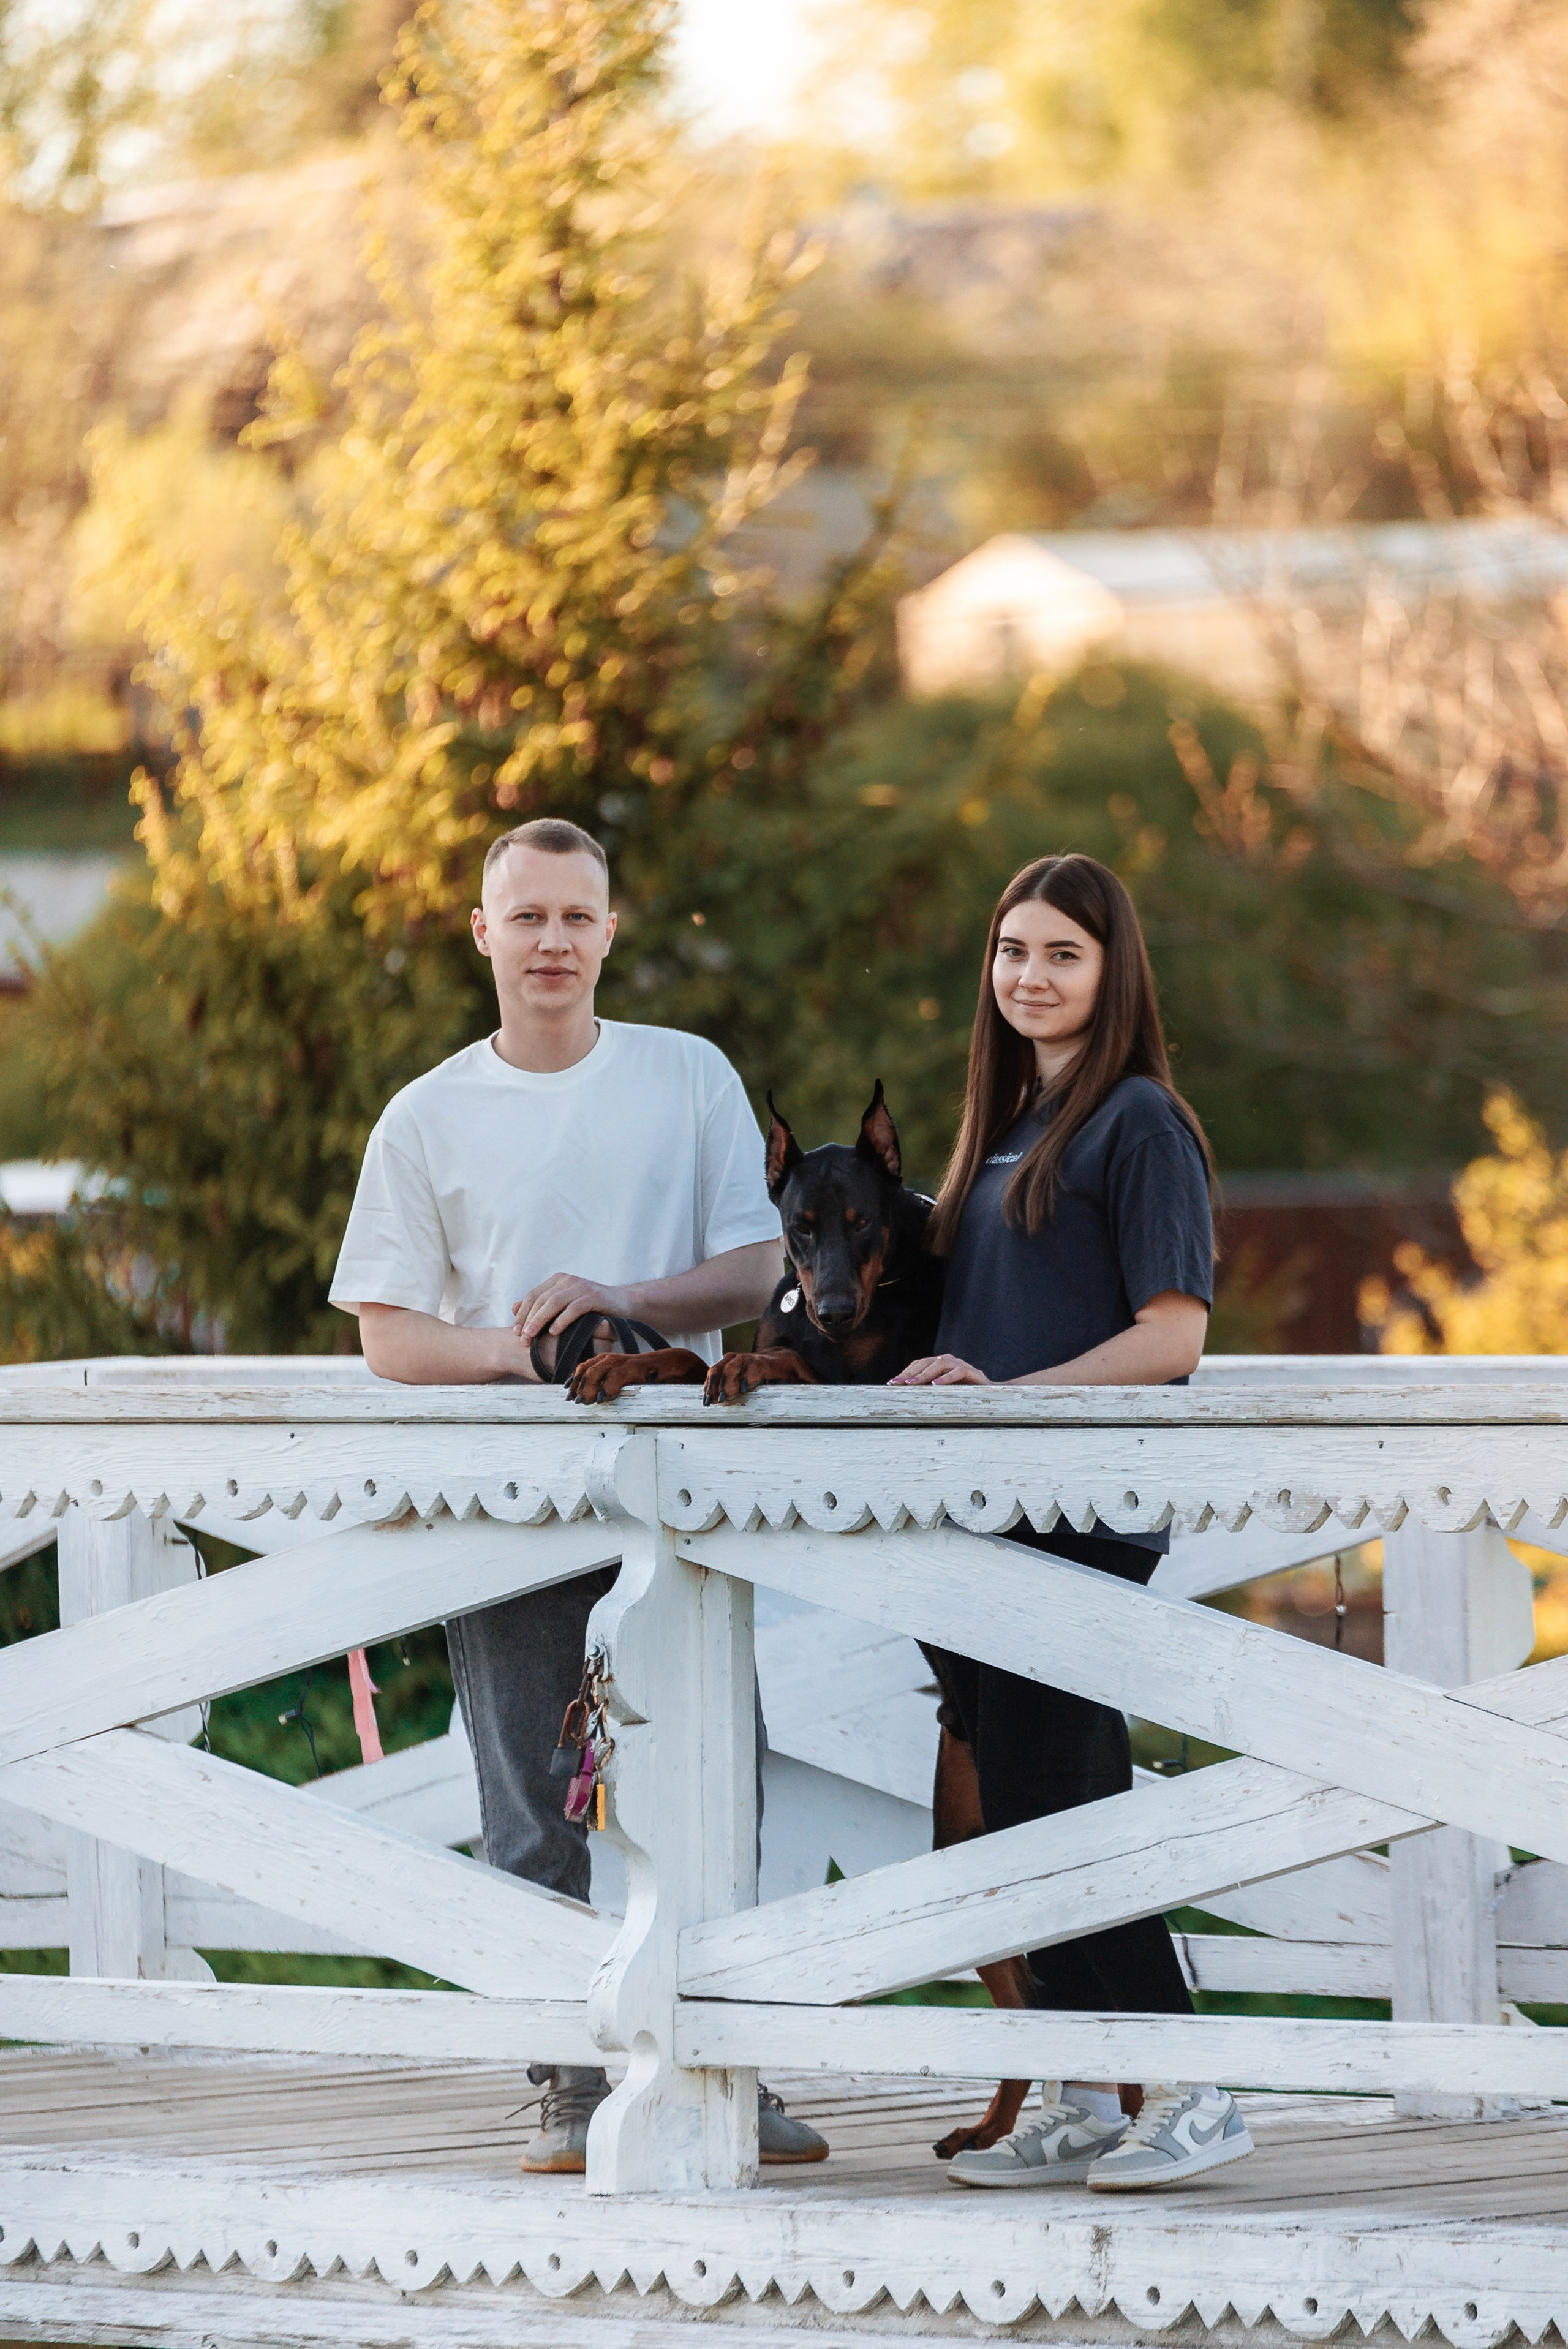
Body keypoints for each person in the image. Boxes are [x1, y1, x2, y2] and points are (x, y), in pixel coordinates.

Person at [329, 816, 829, 2173]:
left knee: (715, 1779)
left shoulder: (687, 1078)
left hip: (688, 1501)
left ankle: (727, 2067)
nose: (552, 940)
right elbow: (385, 1335)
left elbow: (753, 1271)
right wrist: (520, 1351)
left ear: (611, 932)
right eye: (527, 916)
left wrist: (623, 1305)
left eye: (576, 916)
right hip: (511, 1504)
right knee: (535, 1790)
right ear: (482, 933)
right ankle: (566, 2085)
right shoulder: (426, 1113)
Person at [891, 851, 1254, 2193]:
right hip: (980, 1520)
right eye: (1010, 952)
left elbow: (1171, 1336)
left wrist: (1007, 1402)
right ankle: (1074, 2085)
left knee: (1066, 1805)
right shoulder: (998, 1129)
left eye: (1060, 954)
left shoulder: (1139, 1122)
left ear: (1111, 973)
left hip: (1077, 1511)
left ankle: (1192, 2086)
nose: (1029, 977)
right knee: (1020, 1811)